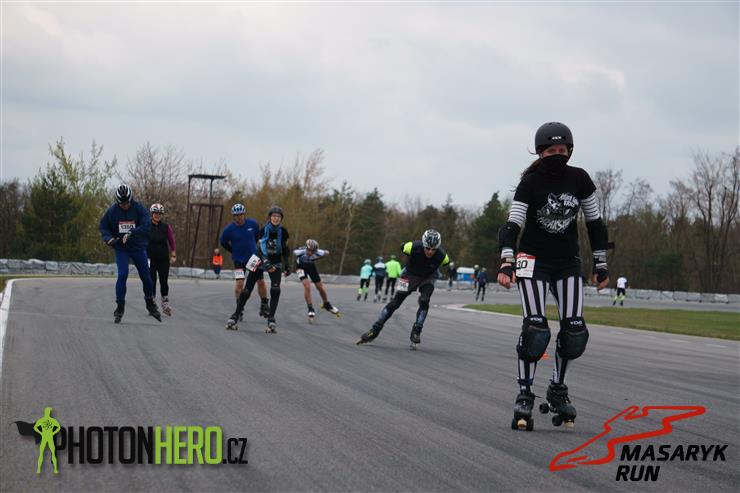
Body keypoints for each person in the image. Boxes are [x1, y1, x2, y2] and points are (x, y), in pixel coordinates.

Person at [497, 121, 612, 431]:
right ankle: (525, 394)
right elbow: (512, 225)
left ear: (570, 151)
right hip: (531, 260)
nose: (557, 154)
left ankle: (557, 389)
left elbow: (595, 225)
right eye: (551, 151)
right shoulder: (530, 182)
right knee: (535, 329)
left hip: (567, 262)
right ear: (540, 153)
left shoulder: (580, 179)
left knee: (574, 330)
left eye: (562, 150)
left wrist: (600, 264)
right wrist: (507, 262)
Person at [357, 229, 450, 349]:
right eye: (427, 248)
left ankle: (417, 330)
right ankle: (375, 329)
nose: (430, 252)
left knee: (424, 300)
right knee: (395, 303)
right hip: (408, 275)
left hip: (428, 277)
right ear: (423, 244)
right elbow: (402, 246)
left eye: (434, 249)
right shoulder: (411, 247)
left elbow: (446, 263)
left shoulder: (442, 256)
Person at [99, 184, 161, 323]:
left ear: (131, 199)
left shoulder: (138, 208)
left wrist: (132, 232)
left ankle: (150, 303)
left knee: (146, 277)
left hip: (138, 248)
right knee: (122, 274)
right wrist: (108, 239)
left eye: (127, 203)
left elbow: (147, 224)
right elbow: (103, 226)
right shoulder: (112, 211)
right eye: (122, 204)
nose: (125, 206)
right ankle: (120, 306)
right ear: (118, 202)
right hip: (122, 248)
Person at [226, 206, 291, 333]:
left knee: (276, 290)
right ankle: (235, 316)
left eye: (278, 217)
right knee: (247, 290)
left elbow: (284, 248)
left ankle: (271, 319)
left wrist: (287, 264)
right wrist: (265, 262)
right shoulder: (263, 230)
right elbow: (260, 248)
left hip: (275, 260)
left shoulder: (283, 231)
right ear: (270, 217)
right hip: (258, 258)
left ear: (281, 219)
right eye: (273, 216)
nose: (276, 218)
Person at [220, 203, 269, 320]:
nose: (239, 217)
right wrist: (233, 250)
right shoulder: (229, 229)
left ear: (244, 214)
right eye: (236, 215)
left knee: (260, 281)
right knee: (239, 284)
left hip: (253, 259)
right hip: (239, 260)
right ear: (233, 216)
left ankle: (264, 304)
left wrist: (253, 248)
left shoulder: (253, 224)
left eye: (241, 215)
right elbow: (223, 242)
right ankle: (239, 307)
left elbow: (257, 237)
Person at [294, 238, 341, 321]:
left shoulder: (319, 252)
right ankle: (310, 308)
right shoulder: (299, 252)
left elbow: (327, 252)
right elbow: (291, 252)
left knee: (320, 287)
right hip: (300, 268)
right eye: (309, 250)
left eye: (313, 251)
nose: (310, 253)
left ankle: (326, 304)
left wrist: (321, 254)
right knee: (307, 286)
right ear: (306, 248)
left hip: (311, 267)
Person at [147, 203, 176, 316]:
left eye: (159, 213)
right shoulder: (146, 226)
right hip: (150, 258)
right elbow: (141, 239)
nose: (157, 215)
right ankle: (152, 302)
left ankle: (165, 303)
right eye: (155, 213)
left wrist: (173, 254)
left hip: (163, 258)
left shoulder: (166, 227)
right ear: (152, 214)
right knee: (151, 280)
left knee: (164, 280)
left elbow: (171, 240)